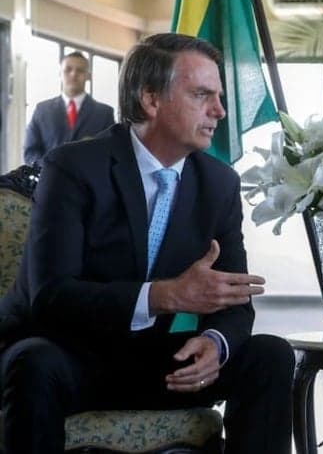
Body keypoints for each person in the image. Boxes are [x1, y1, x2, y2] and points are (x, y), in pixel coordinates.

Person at [0, 33, 294, 454]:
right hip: (64, 354)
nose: (219, 111)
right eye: (202, 95)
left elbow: (235, 303)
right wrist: (165, 296)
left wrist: (215, 344)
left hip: (153, 363)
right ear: (152, 100)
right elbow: (50, 296)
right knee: (34, 364)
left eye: (219, 97)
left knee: (269, 355)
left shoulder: (218, 183)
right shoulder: (73, 167)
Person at [23, 51, 115, 166]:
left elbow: (112, 152)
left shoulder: (104, 113)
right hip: (49, 180)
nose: (73, 74)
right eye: (68, 69)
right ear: (60, 73)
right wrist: (48, 168)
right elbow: (30, 151)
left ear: (88, 76)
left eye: (80, 70)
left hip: (88, 181)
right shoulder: (42, 110)